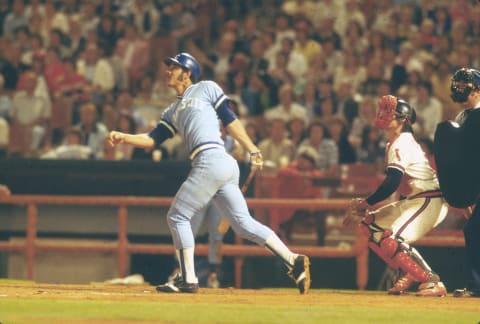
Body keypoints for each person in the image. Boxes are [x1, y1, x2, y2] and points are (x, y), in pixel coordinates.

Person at [108, 52, 310, 294]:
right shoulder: (172, 110)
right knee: (243, 225)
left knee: (177, 216)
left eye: (174, 66)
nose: (168, 70)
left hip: (212, 159)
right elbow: (152, 139)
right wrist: (124, 137)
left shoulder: (206, 88)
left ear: (188, 71)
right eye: (169, 66)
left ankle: (188, 278)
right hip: (220, 165)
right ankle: (293, 260)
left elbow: (230, 120)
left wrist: (252, 147)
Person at [343, 95, 448, 297]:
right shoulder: (395, 143)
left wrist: (365, 202)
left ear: (404, 120)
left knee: (392, 239)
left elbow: (391, 182)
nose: (384, 114)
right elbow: (398, 185)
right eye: (383, 110)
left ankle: (432, 280)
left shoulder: (402, 142)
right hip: (415, 200)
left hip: (429, 198)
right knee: (368, 225)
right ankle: (408, 270)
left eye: (390, 112)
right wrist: (366, 207)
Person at [438, 67, 480, 298]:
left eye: (465, 86)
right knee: (474, 230)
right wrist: (466, 194)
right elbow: (462, 160)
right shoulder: (461, 117)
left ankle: (476, 286)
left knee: (474, 230)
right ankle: (475, 286)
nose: (459, 89)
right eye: (458, 85)